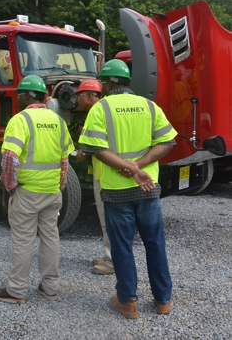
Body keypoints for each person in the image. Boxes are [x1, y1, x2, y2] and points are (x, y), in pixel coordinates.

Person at [79, 59, 177, 319]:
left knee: (122, 247)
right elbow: (168, 141)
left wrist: (128, 167)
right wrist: (140, 165)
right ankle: (163, 301)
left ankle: (128, 302)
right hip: (148, 189)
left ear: (108, 83)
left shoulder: (101, 108)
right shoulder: (149, 106)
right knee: (155, 244)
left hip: (116, 192)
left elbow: (95, 148)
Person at [0, 75, 74, 304]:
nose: (16, 99)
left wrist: (10, 187)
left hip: (27, 192)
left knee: (23, 240)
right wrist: (60, 185)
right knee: (50, 237)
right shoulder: (57, 120)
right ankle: (50, 288)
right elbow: (65, 158)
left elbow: (8, 158)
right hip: (52, 191)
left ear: (27, 96)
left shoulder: (20, 120)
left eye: (19, 94)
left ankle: (16, 290)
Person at [75, 80, 114, 276]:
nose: (77, 100)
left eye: (80, 95)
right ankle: (109, 257)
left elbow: (86, 151)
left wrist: (77, 152)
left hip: (105, 174)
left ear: (90, 96)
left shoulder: (95, 112)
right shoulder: (106, 107)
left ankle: (112, 262)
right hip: (111, 171)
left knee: (107, 218)